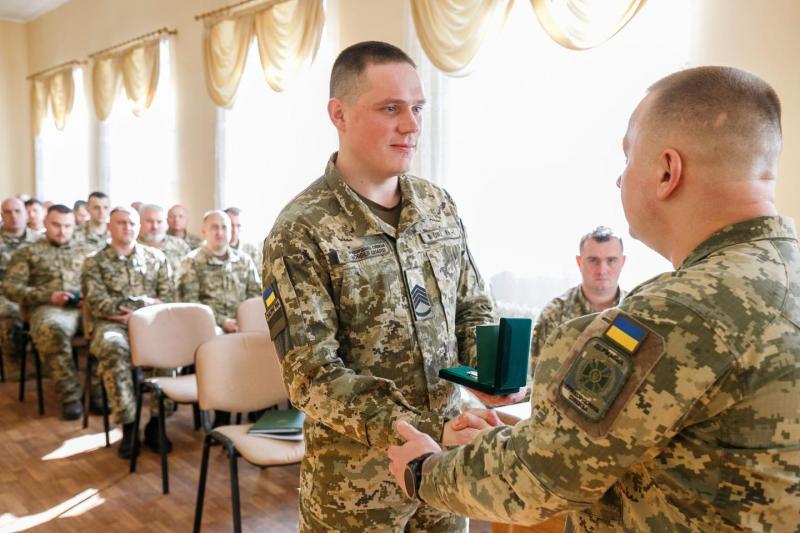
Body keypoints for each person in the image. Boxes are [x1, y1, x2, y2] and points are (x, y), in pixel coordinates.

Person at [387, 66, 800, 531]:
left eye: (628, 157)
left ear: (667, 171)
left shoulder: (678, 315)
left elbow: (539, 478)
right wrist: (530, 439)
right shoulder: (777, 278)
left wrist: (423, 470)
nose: (620, 180)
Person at [263, 41, 504, 532]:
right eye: (391, 108)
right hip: (357, 491)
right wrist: (428, 428)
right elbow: (313, 376)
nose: (411, 125)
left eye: (418, 108)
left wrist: (491, 373)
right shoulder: (301, 230)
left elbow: (472, 307)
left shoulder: (437, 206)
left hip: (443, 474)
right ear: (339, 114)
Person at [81, 206, 174, 458]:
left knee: (171, 347)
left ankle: (157, 423)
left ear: (139, 227)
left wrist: (139, 312)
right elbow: (99, 303)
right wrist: (146, 303)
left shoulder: (156, 258)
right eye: (121, 223)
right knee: (113, 347)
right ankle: (129, 425)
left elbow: (168, 298)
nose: (127, 227)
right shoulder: (94, 261)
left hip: (151, 324)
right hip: (112, 325)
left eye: (132, 223)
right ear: (109, 227)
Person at [4, 205, 94, 420]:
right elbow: (10, 287)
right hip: (50, 309)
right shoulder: (28, 252)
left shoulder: (88, 252)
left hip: (86, 307)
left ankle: (100, 393)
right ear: (45, 223)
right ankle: (70, 397)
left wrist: (91, 295)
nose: (62, 231)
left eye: (67, 226)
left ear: (75, 226)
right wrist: (48, 296)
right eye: (56, 225)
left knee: (110, 330)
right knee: (52, 329)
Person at [529, 226, 626, 377]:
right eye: (593, 260)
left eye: (611, 260)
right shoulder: (554, 315)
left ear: (622, 262)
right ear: (580, 262)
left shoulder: (636, 313)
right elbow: (537, 380)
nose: (602, 270)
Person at [178, 210, 260, 334]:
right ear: (204, 232)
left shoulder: (244, 260)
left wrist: (244, 320)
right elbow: (190, 303)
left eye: (224, 227)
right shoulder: (191, 262)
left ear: (230, 231)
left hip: (243, 325)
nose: (220, 232)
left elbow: (255, 295)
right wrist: (222, 321)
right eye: (214, 227)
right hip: (208, 328)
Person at [0, 198, 42, 380]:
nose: (13, 216)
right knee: (10, 312)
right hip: (5, 294)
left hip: (35, 293)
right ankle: (13, 364)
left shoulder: (40, 240)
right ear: (2, 215)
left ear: (26, 214)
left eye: (17, 211)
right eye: (7, 212)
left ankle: (47, 362)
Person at [137, 204, 191, 283]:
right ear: (139, 222)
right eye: (149, 221)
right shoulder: (132, 247)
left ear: (165, 223)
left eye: (159, 222)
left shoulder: (180, 245)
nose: (155, 226)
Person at [223, 206, 262, 273]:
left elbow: (260, 275)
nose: (235, 230)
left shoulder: (252, 250)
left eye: (238, 226)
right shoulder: (217, 250)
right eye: (231, 225)